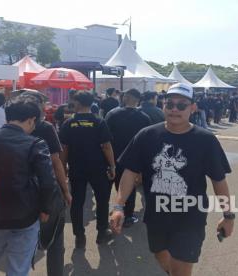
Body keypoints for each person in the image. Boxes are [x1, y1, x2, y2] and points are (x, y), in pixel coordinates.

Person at [110, 83, 234, 276]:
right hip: (156, 214)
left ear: (193, 108)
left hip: (190, 216)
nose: (175, 109)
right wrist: (119, 206)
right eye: (170, 104)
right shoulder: (147, 135)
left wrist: (228, 216)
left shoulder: (206, 140)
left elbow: (219, 180)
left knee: (181, 269)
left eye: (182, 105)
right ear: (163, 106)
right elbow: (129, 172)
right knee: (159, 253)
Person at [0, 97, 61, 276]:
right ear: (31, 120)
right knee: (18, 267)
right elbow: (48, 181)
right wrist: (46, 208)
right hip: (24, 215)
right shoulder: (35, 144)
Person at [16, 89, 71, 276]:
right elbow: (56, 162)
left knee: (22, 241)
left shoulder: (10, 128)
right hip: (47, 188)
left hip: (21, 190)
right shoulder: (45, 127)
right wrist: (65, 190)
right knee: (55, 240)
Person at [59, 91, 115, 248]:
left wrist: (63, 169)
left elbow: (64, 149)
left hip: (77, 168)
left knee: (77, 202)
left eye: (74, 101)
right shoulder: (99, 121)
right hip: (98, 168)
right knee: (102, 200)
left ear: (77, 102)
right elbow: (106, 146)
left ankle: (79, 235)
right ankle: (102, 232)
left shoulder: (68, 123)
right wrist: (112, 165)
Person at [105, 88, 151, 227]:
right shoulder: (144, 118)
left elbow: (105, 138)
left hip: (113, 156)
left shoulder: (112, 114)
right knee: (129, 187)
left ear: (126, 97)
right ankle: (129, 215)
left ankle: (112, 212)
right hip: (134, 159)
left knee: (110, 186)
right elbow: (147, 142)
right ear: (138, 100)